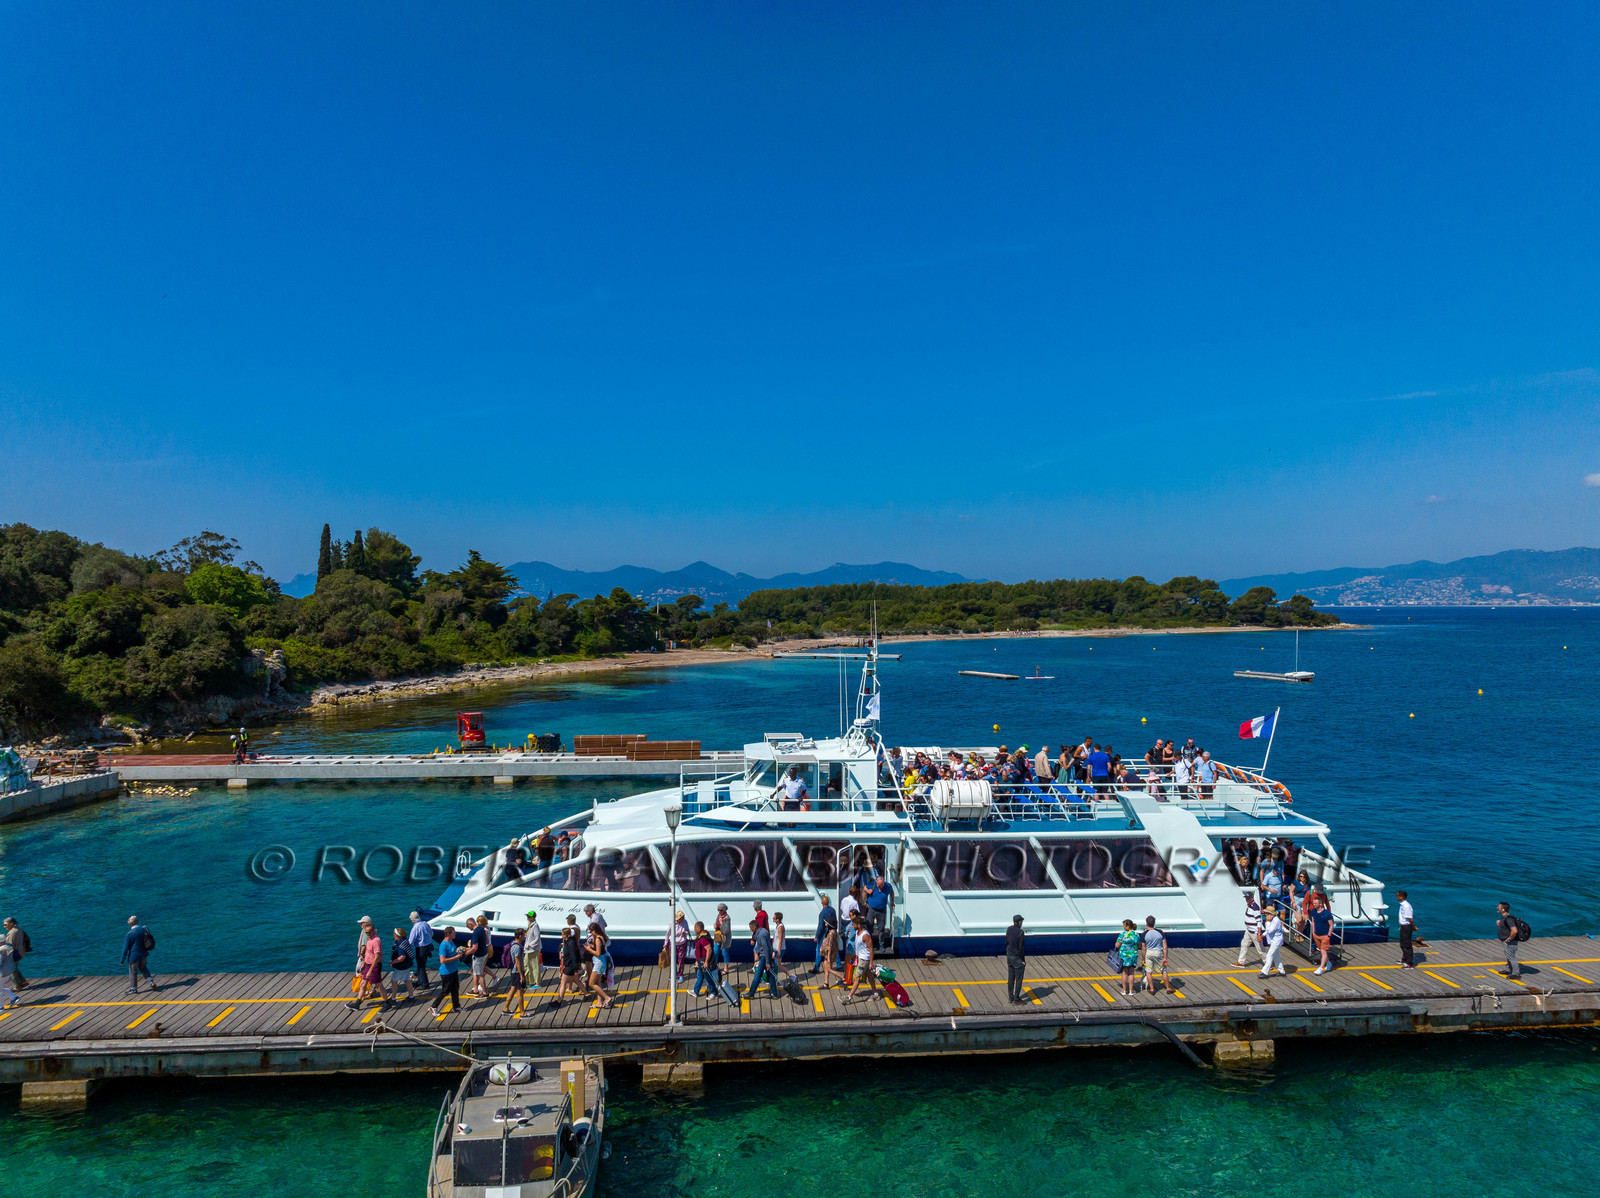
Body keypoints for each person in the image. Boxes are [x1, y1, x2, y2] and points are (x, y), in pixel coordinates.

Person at [349, 915, 385, 1010]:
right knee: (363, 984)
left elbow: (377, 956)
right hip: (368, 964)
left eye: (369, 932)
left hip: (374, 966)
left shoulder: (376, 941)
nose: (367, 934)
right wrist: (364, 962)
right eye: (366, 932)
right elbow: (368, 952)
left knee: (379, 985)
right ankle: (357, 1003)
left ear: (373, 931)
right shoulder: (369, 938)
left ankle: (387, 1001)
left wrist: (370, 970)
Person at [428, 928, 463, 1018]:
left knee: (455, 989)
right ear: (448, 934)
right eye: (453, 933)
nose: (455, 934)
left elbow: (452, 953)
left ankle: (456, 1007)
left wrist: (459, 952)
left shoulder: (451, 942)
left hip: (453, 970)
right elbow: (442, 960)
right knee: (445, 991)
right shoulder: (443, 945)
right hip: (446, 972)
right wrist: (456, 957)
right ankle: (433, 1007)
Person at [121, 914, 156, 994]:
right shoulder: (144, 929)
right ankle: (151, 982)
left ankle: (133, 989)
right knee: (143, 968)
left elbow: (125, 948)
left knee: (133, 972)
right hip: (143, 954)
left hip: (134, 956)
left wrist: (122, 959)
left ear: (130, 923)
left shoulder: (129, 934)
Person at [746, 918, 780, 999]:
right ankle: (774, 993)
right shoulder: (763, 931)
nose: (750, 929)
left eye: (750, 927)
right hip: (766, 956)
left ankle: (751, 993)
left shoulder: (760, 935)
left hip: (764, 957)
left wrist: (767, 962)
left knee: (757, 975)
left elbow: (765, 948)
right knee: (770, 975)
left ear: (754, 927)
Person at [847, 917, 879, 1001]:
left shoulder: (865, 935)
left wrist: (871, 963)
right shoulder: (857, 932)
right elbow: (858, 947)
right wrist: (856, 956)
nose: (853, 926)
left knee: (856, 977)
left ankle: (849, 997)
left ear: (858, 925)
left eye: (854, 924)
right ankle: (875, 993)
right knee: (870, 976)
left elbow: (871, 949)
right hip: (860, 958)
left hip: (864, 960)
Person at [586, 925, 616, 1008]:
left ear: (595, 930)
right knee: (597, 982)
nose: (591, 933)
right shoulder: (601, 937)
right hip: (601, 962)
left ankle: (607, 998)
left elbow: (598, 953)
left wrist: (589, 949)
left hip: (599, 962)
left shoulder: (598, 939)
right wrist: (590, 946)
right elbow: (600, 949)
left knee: (591, 983)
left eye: (591, 931)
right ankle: (599, 1002)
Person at [554, 925, 584, 1006]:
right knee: (577, 980)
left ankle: (559, 1001)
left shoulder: (571, 943)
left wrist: (575, 968)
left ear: (565, 935)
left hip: (570, 966)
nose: (561, 935)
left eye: (562, 934)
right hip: (569, 965)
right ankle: (587, 995)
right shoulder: (569, 941)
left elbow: (573, 956)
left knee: (563, 983)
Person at [500, 929, 527, 1014]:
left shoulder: (513, 943)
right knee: (520, 992)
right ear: (520, 936)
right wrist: (521, 975)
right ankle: (522, 1013)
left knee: (513, 989)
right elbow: (517, 961)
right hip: (517, 972)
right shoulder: (517, 947)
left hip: (514, 971)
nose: (524, 936)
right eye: (523, 935)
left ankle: (505, 1008)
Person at [1308, 893, 1336, 975]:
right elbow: (1313, 921)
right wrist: (1313, 932)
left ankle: (1321, 968)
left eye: (1315, 903)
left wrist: (1329, 935)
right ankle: (1328, 963)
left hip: (1325, 935)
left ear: (1320, 904)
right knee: (1322, 951)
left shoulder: (1327, 913)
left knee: (1323, 951)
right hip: (1316, 934)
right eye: (1313, 903)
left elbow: (1331, 924)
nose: (1314, 904)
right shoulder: (1313, 911)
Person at [1141, 916, 1169, 994]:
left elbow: (1143, 948)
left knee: (1148, 972)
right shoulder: (1160, 932)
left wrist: (1143, 959)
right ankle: (1168, 988)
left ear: (1146, 923)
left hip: (1149, 953)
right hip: (1158, 952)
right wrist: (1165, 957)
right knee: (1163, 971)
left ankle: (1152, 989)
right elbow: (1165, 946)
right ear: (1154, 923)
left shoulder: (1144, 934)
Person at [387, 927, 416, 1003]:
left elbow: (402, 957)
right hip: (408, 965)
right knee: (407, 980)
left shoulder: (400, 945)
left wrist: (393, 962)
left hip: (401, 967)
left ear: (396, 935)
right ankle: (411, 996)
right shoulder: (405, 941)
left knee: (394, 981)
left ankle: (393, 998)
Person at [408, 910, 435, 989]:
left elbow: (411, 941)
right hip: (428, 946)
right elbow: (432, 933)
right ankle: (420, 981)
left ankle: (425, 984)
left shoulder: (415, 928)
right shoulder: (425, 923)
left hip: (421, 948)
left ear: (412, 920)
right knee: (421, 964)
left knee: (421, 966)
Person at [1237, 891, 1265, 967]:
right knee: (1244, 944)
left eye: (1248, 898)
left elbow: (1259, 922)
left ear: (1252, 898)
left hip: (1254, 931)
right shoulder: (1250, 906)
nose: (1247, 899)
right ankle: (1241, 962)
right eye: (1246, 898)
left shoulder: (1255, 907)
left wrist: (1259, 934)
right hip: (1248, 930)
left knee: (1260, 949)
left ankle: (1268, 964)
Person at [814, 894, 839, 975]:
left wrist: (817, 936)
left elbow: (821, 926)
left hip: (825, 934)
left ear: (822, 903)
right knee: (834, 947)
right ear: (828, 902)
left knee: (819, 949)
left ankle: (816, 968)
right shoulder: (833, 910)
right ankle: (839, 964)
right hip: (832, 931)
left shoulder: (822, 913)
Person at [468, 915, 492, 998]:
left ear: (470, 925)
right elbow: (487, 941)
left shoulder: (476, 932)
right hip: (484, 953)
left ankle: (485, 992)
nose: (469, 928)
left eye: (468, 926)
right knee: (476, 971)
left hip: (478, 955)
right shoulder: (482, 929)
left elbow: (475, 947)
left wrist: (466, 953)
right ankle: (475, 990)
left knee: (480, 974)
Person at [1496, 901, 1522, 978]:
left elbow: (1514, 930)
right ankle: (1508, 969)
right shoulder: (1505, 917)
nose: (1497, 907)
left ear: (1503, 909)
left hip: (1510, 942)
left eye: (1499, 907)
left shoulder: (1508, 918)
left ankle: (1516, 973)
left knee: (1511, 957)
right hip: (1505, 940)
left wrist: (1510, 938)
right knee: (1508, 955)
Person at [1005, 914, 1027, 1003]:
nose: (1022, 923)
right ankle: (1016, 998)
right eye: (1021, 921)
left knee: (1011, 978)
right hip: (1017, 957)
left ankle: (1010, 997)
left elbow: (1007, 942)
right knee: (1018, 979)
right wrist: (1023, 960)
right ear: (1018, 922)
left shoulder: (1009, 929)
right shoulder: (1020, 932)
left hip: (1009, 956)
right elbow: (1021, 948)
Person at [1115, 920, 1141, 995]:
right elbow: (1139, 945)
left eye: (1124, 925)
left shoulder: (1122, 934)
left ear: (1127, 926)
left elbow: (1117, 945)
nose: (1123, 926)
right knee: (1131, 973)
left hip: (1124, 956)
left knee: (1125, 973)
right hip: (1133, 955)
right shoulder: (1136, 934)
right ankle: (1131, 991)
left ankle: (1124, 990)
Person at [1259, 907, 1286, 977]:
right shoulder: (1273, 920)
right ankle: (1281, 970)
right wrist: (1262, 935)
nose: (1265, 914)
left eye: (1266, 913)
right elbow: (1268, 931)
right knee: (1276, 956)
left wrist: (1267, 922)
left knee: (1269, 955)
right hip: (1274, 940)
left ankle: (1265, 972)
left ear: (1270, 914)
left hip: (1276, 940)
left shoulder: (1275, 921)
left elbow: (1270, 930)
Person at [4, 917, 29, 990]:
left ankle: (18, 986)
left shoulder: (12, 933)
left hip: (14, 953)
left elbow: (9, 945)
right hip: (20, 952)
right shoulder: (18, 930)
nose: (4, 926)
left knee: (12, 969)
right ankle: (23, 981)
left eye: (5, 925)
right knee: (14, 968)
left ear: (11, 924)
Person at [866, 874, 891, 946]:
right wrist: (868, 891)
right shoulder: (872, 884)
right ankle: (869, 943)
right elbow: (864, 887)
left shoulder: (888, 886)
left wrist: (892, 902)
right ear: (876, 883)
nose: (880, 886)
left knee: (881, 927)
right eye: (879, 884)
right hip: (871, 908)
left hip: (881, 910)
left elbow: (891, 892)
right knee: (869, 924)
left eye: (882, 884)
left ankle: (881, 943)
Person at [1396, 890, 1417, 968]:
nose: (1397, 897)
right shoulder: (1402, 905)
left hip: (1406, 927)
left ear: (1402, 897)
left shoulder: (1406, 906)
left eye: (1397, 895)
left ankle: (1410, 963)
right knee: (1402, 944)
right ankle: (1404, 959)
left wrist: (1413, 927)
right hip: (1403, 926)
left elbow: (1410, 919)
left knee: (1407, 945)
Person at [672, 911, 691, 982]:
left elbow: (688, 931)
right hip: (673, 944)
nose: (683, 918)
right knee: (673, 960)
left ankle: (680, 974)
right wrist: (665, 943)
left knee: (680, 961)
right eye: (682, 917)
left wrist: (684, 932)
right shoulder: (672, 923)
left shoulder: (685, 922)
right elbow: (668, 933)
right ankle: (673, 974)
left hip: (682, 943)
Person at [0, 937, 18, 1010]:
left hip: (2, 972)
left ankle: (0, 1006)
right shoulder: (9, 947)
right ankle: (13, 998)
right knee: (2, 985)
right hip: (9, 970)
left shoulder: (1, 950)